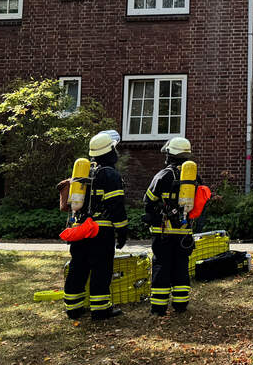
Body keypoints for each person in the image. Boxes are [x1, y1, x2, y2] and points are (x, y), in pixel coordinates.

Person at [63, 130, 128, 320]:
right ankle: (100, 310)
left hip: (81, 229)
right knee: (101, 269)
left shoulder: (85, 172)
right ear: (109, 152)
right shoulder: (110, 174)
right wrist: (122, 230)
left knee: (78, 267)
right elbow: (116, 207)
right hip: (101, 231)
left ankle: (73, 308)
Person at [142, 136, 199, 316]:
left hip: (163, 231)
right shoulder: (195, 177)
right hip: (184, 232)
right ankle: (181, 304)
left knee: (162, 266)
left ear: (170, 154)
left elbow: (148, 200)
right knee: (181, 266)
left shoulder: (163, 175)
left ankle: (158, 307)